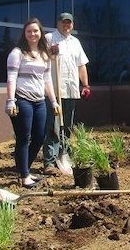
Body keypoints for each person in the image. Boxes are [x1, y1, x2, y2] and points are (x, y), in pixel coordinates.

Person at [5, 18, 60, 188]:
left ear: (40, 33)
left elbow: (47, 80)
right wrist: (10, 100)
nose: (32, 34)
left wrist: (53, 101)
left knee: (39, 137)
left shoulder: (45, 55)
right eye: (29, 31)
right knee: (23, 138)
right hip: (22, 100)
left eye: (35, 31)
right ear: (24, 34)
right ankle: (24, 175)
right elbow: (11, 78)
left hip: (40, 101)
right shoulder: (17, 53)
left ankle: (24, 171)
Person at [42, 13, 90, 176]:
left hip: (71, 90)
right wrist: (50, 52)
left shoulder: (75, 42)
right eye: (63, 23)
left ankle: (64, 154)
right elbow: (40, 57)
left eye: (69, 23)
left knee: (67, 125)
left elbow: (81, 65)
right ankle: (49, 161)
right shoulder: (49, 38)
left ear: (72, 25)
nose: (66, 25)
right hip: (54, 92)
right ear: (58, 23)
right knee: (53, 126)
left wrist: (86, 85)